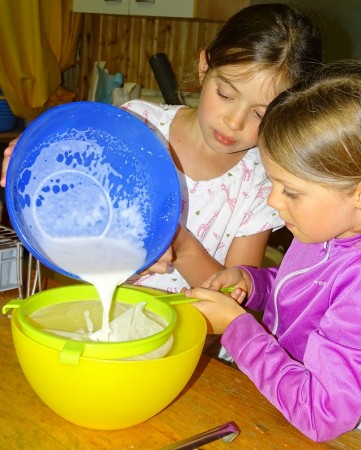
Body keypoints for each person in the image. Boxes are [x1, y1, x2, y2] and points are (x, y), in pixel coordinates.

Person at [1, 4, 322, 292]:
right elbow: (72, 201)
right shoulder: (139, 126)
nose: (234, 122)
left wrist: (176, 241)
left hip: (198, 341)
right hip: (110, 313)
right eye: (225, 94)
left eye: (260, 114)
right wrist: (32, 156)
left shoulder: (258, 185)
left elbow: (234, 297)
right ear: (204, 66)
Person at [183, 60, 361, 442]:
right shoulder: (329, 229)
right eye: (272, 182)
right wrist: (253, 282)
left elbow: (323, 413)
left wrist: (235, 328)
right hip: (280, 404)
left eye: (291, 191)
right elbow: (303, 290)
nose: (272, 199)